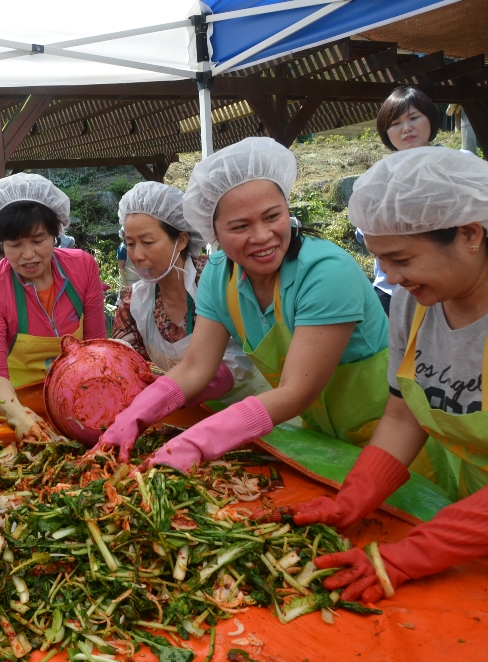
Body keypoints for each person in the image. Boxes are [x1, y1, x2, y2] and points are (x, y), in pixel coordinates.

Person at [270, 147, 488, 604]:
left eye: (402, 259)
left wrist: (408, 557)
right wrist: (354, 497)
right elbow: (404, 414)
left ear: (469, 233)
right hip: (467, 517)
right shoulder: (416, 300)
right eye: (380, 259)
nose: (388, 276)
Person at [100, 137, 390, 472]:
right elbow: (196, 367)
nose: (263, 235)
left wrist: (201, 439)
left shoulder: (326, 273)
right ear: (214, 235)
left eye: (272, 216)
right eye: (240, 227)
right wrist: (136, 413)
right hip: (321, 438)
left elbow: (296, 390)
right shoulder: (220, 276)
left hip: (387, 439)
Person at [104, 182, 270, 462]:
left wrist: (167, 392)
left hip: (253, 415)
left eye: (147, 242)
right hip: (185, 420)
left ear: (181, 240)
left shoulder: (217, 280)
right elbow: (124, 362)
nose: (137, 255)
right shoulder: (134, 301)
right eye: (130, 244)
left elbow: (240, 356)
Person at [0, 173, 106, 441]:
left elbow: (96, 348)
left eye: (38, 240)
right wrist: (19, 416)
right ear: (0, 244)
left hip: (80, 400)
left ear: (55, 234)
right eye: (15, 245)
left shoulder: (82, 267)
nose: (29, 254)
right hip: (19, 403)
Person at [357, 87, 441, 314]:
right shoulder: (376, 180)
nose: (406, 128)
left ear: (430, 119)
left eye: (414, 118)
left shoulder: (459, 165)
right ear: (386, 133)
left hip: (449, 289)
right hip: (393, 292)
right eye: (395, 123)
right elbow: (367, 236)